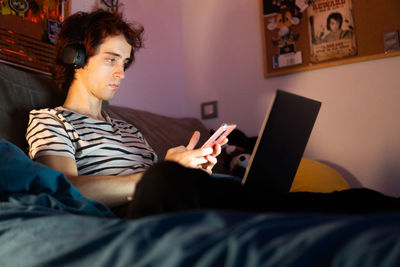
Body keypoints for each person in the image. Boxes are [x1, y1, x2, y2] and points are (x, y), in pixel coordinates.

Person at [26, 8, 399, 219]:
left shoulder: (130, 130)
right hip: (133, 215)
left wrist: (187, 169)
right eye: (111, 60)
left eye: (125, 62)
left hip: (174, 200)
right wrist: (163, 175)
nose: (122, 73)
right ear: (75, 58)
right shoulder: (50, 120)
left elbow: (162, 185)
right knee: (167, 182)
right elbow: (64, 191)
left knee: (337, 200)